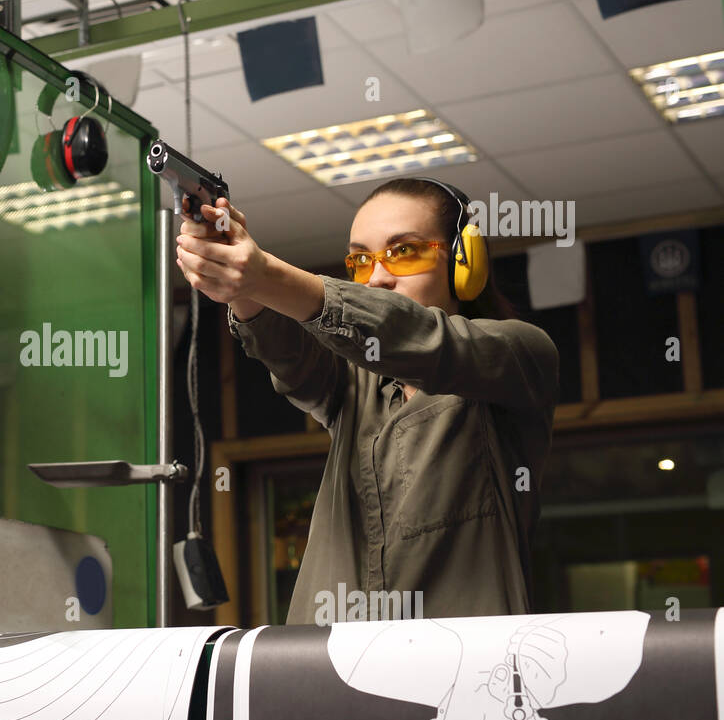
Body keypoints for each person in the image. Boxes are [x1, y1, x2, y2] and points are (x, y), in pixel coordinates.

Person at [174, 179, 559, 625]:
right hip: (330, 676)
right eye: (360, 260)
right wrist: (240, 286)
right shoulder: (355, 381)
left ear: (463, 261)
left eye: (404, 251)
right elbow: (288, 354)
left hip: (464, 674)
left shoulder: (519, 354)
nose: (377, 277)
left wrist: (263, 274)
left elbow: (418, 338)